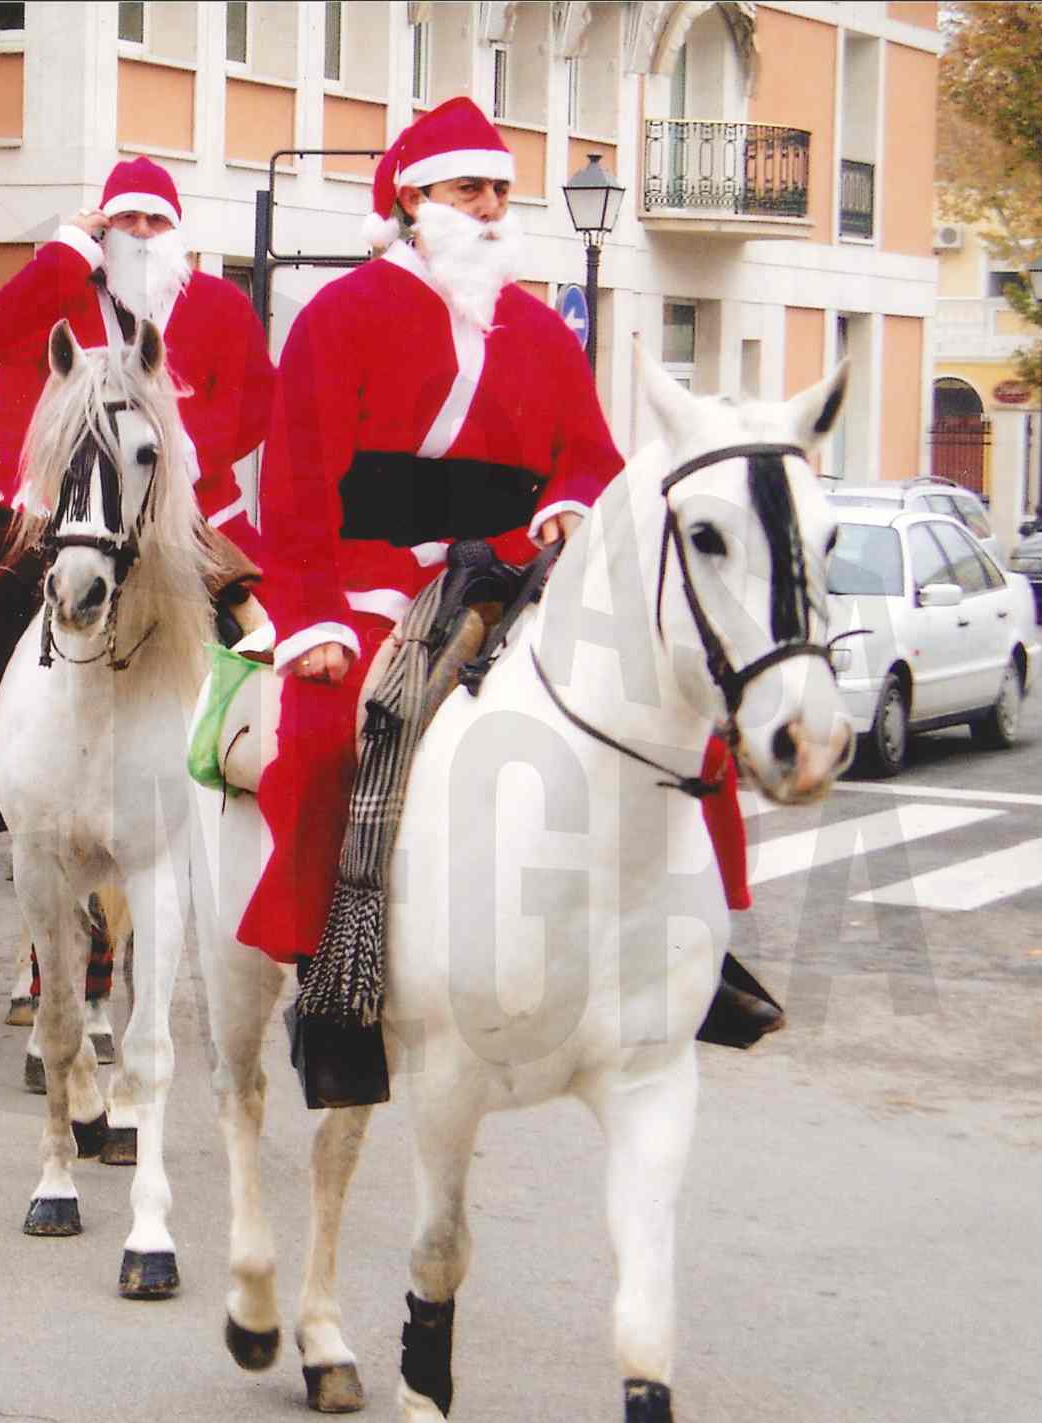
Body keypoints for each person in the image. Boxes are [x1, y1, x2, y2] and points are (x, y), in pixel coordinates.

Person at [245, 99, 774, 1098]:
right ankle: (334, 979)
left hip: (523, 575)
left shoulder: (538, 327)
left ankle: (702, 954)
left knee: (681, 727)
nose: (490, 206)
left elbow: (592, 455)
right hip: (376, 579)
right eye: (468, 188)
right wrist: (312, 618)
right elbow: (300, 483)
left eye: (498, 189)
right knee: (323, 742)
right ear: (414, 201)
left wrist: (569, 504)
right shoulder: (339, 314)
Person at [0, 155, 276, 839]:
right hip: (75, 503)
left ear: (176, 230)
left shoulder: (220, 304)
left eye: (154, 220)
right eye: (125, 218)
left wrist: (180, 455)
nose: (140, 232)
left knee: (268, 617)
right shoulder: (67, 291)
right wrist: (66, 252)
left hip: (191, 504)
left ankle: (262, 760)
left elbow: (254, 402)